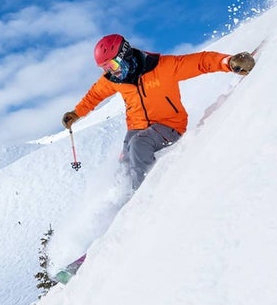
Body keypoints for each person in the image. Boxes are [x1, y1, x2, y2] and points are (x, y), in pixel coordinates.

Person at [62, 34, 255, 189]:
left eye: (112, 65)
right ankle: (122, 198)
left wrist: (228, 62)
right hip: (136, 127)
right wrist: (76, 113)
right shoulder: (114, 80)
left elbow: (200, 62)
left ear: (125, 55)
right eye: (105, 68)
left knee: (138, 145)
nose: (111, 72)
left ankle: (143, 197)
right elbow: (94, 95)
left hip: (169, 124)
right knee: (124, 163)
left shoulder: (164, 67)